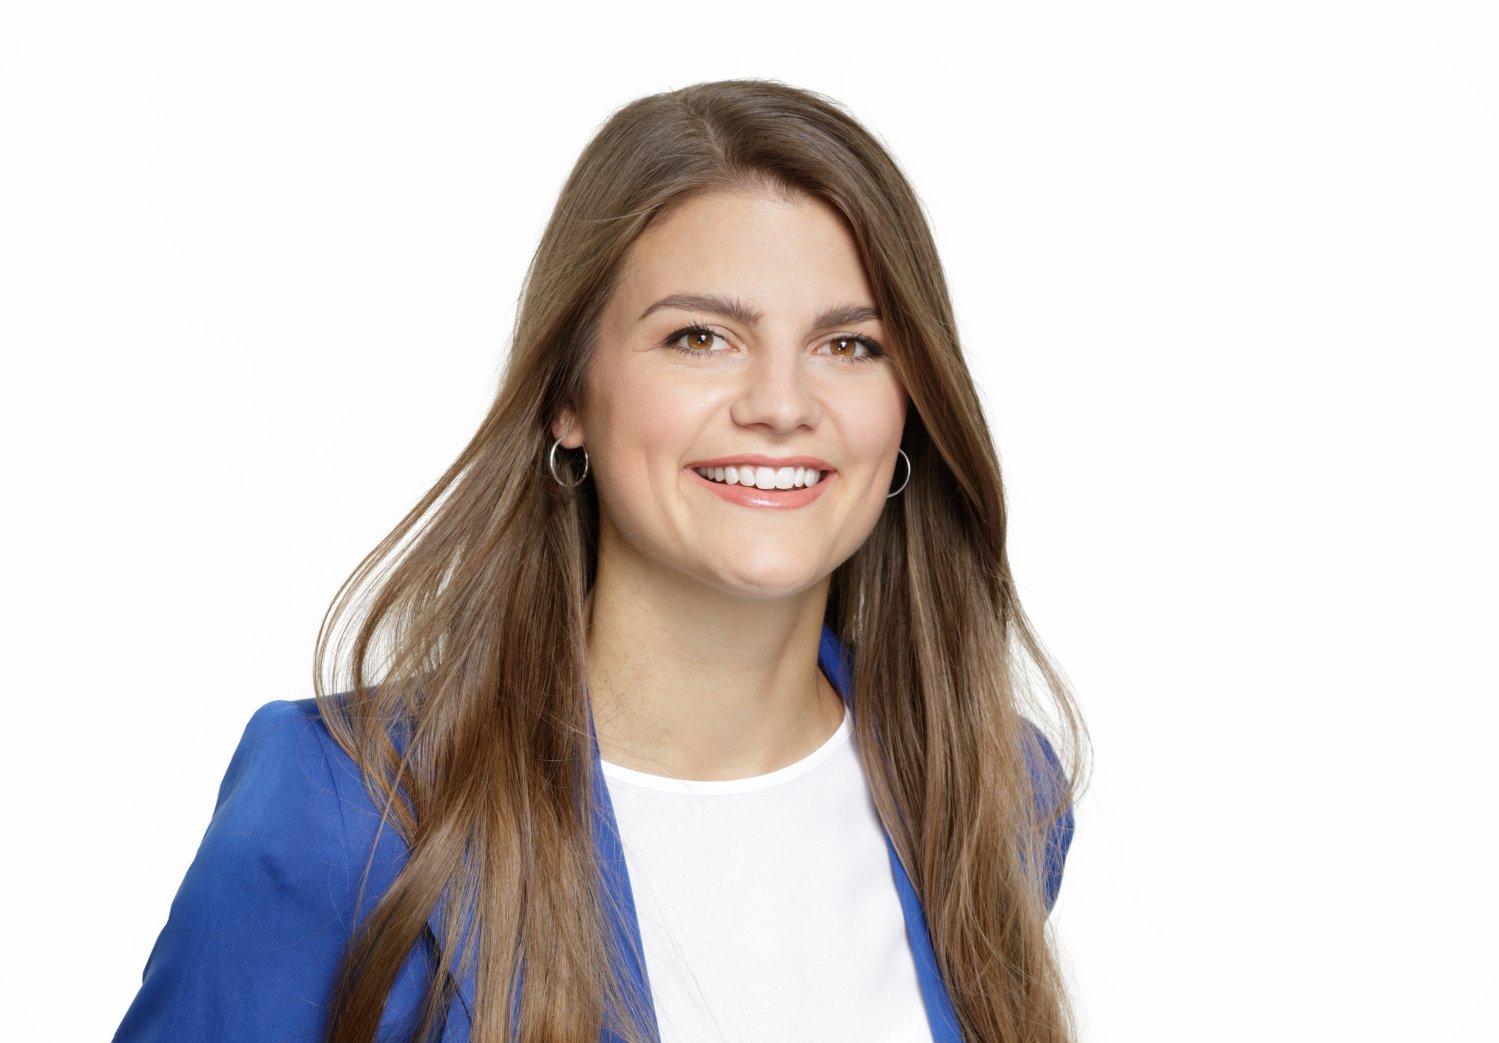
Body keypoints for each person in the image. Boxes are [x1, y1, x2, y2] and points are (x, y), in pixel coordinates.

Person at [114, 78, 1087, 1043]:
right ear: (568, 395)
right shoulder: (344, 809)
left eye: (849, 344)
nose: (782, 404)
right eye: (699, 337)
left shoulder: (987, 789)